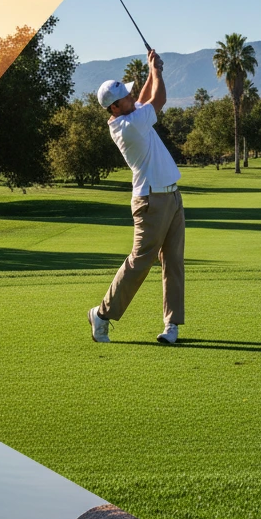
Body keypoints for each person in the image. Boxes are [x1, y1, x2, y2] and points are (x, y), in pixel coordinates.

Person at [87, 49, 185, 345]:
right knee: (140, 261)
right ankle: (101, 315)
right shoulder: (129, 126)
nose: (133, 98)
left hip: (172, 196)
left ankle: (172, 326)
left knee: (174, 262)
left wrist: (149, 68)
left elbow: (142, 101)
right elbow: (158, 100)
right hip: (150, 201)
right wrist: (156, 71)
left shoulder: (131, 113)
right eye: (127, 97)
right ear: (115, 108)